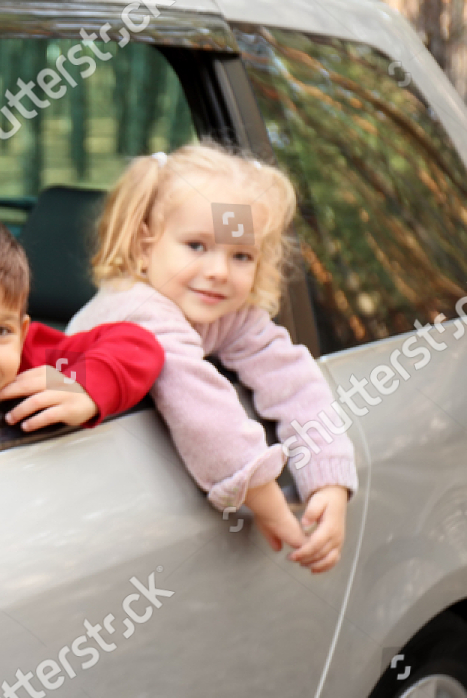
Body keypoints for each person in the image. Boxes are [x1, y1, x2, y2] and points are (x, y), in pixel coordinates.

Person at [68, 143, 356, 574]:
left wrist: (328, 477)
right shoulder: (136, 310)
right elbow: (200, 406)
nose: (219, 271)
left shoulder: (227, 313)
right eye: (197, 246)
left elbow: (292, 377)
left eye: (241, 255)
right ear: (145, 246)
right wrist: (264, 496)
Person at [0, 205, 164, 441]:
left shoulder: (30, 364)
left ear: (22, 333)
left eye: (0, 330)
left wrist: (84, 384)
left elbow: (138, 345)